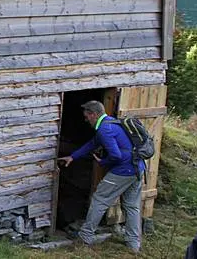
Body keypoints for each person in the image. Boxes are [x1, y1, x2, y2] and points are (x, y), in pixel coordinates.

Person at [57, 100, 144, 253]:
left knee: (99, 200)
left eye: (87, 117)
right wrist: (73, 157)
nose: (86, 120)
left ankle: (85, 237)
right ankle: (133, 244)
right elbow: (93, 143)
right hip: (138, 168)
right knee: (132, 206)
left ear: (94, 114)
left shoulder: (104, 129)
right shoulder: (111, 123)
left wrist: (103, 162)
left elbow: (116, 156)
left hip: (124, 171)